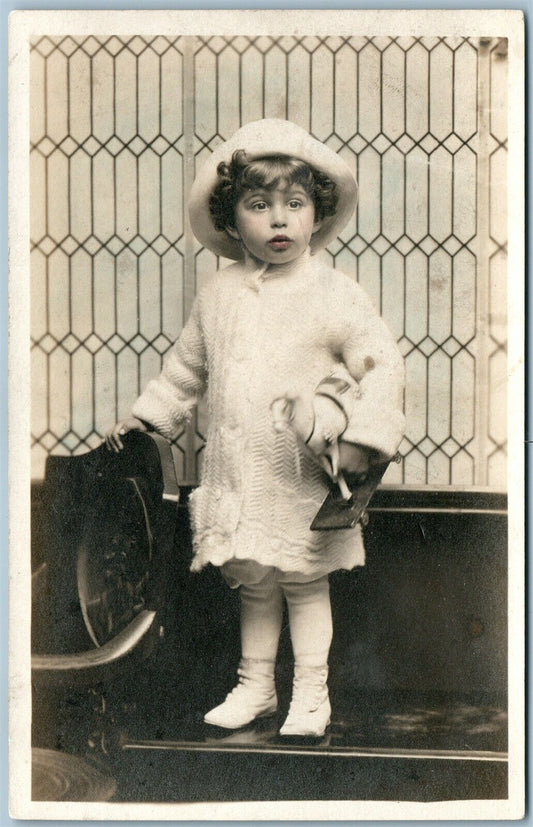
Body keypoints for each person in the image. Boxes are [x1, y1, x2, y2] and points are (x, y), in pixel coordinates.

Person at [106, 119, 405, 737]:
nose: (278, 221)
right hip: (240, 475)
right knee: (255, 584)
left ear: (316, 215)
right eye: (259, 205)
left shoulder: (333, 292)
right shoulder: (218, 294)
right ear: (230, 217)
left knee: (303, 582)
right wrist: (143, 419)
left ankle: (311, 696)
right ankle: (256, 687)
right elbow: (186, 372)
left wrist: (361, 440)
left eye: (294, 206)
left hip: (298, 473)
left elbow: (381, 363)